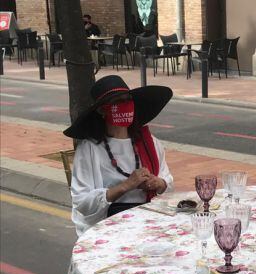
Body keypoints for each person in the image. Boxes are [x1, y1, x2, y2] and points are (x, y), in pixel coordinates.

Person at [64, 75, 174, 236]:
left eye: (128, 99)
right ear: (102, 110)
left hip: (148, 222)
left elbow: (168, 183)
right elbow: (82, 202)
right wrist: (126, 186)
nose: (125, 105)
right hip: (108, 228)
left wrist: (158, 183)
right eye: (117, 102)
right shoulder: (89, 149)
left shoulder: (149, 143)